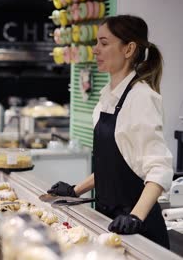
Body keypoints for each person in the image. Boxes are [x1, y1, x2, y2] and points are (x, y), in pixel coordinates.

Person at [48, 15, 172, 248]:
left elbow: (159, 168)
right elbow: (117, 164)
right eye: (97, 43)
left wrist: (135, 217)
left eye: (104, 43)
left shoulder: (141, 98)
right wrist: (75, 190)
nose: (95, 50)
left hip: (138, 232)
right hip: (110, 224)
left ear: (129, 49)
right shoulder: (108, 96)